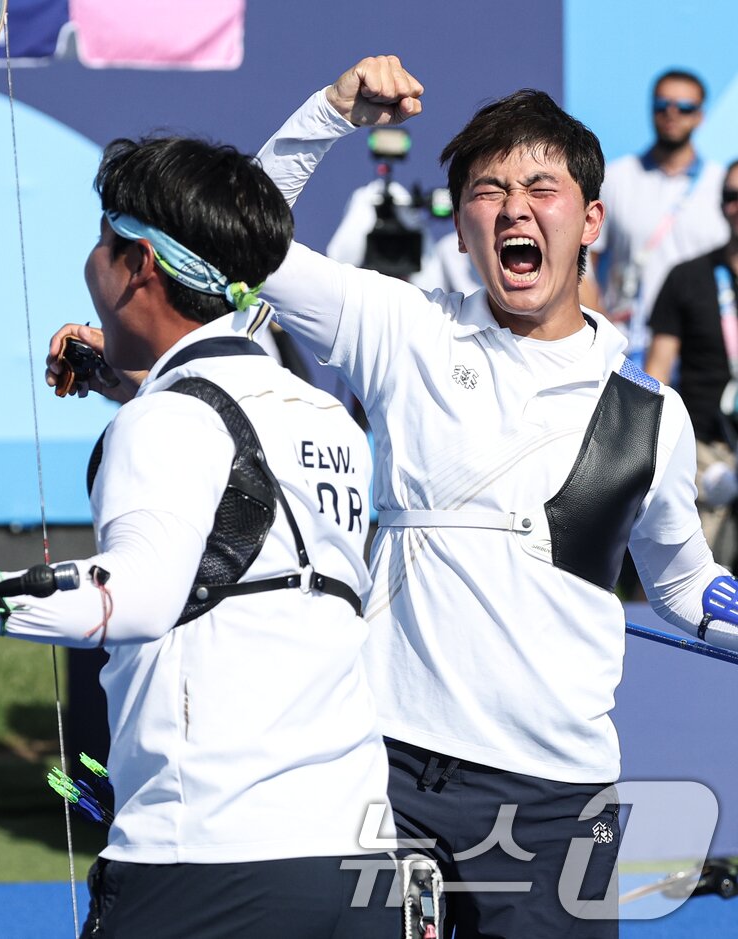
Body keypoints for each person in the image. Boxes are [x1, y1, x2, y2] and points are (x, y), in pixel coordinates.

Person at [0, 136, 399, 936]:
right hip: (355, 857)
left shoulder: (166, 420)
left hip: (211, 865)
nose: (90, 267)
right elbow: (237, 513)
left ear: (141, 267)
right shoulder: (324, 416)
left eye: (101, 243)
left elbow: (130, 598)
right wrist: (134, 382)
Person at [242, 55, 738, 939]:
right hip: (381, 778)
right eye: (487, 188)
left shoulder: (650, 413)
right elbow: (229, 240)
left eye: (540, 186)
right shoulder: (403, 327)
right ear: (463, 223)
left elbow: (686, 581)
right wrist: (327, 111)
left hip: (558, 806)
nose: (514, 207)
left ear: (589, 220)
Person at [591, 69, 728, 361]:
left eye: (685, 107)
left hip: (700, 352)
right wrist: (600, 327)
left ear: (700, 116)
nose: (672, 114)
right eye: (662, 105)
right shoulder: (616, 177)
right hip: (630, 347)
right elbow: (582, 262)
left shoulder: (722, 186)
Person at [645, 158, 738, 568]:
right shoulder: (688, 276)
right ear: (721, 204)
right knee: (703, 580)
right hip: (707, 453)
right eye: (732, 196)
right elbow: (657, 371)